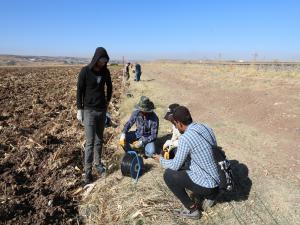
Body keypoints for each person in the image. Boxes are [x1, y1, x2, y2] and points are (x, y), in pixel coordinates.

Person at [153, 106, 220, 219]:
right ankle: (212, 195)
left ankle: (192, 209)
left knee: (169, 175)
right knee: (185, 163)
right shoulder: (205, 127)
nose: (175, 126)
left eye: (175, 123)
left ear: (179, 123)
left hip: (208, 184)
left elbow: (175, 165)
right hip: (218, 178)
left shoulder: (186, 138)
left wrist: (161, 160)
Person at [76, 47, 112, 185]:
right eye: (102, 60)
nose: (103, 63)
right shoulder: (85, 71)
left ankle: (98, 165)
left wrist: (107, 102)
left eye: (105, 61)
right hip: (89, 111)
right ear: (96, 59)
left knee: (99, 140)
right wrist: (80, 109)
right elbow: (79, 91)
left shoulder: (105, 72)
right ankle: (88, 172)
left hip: (101, 110)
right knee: (90, 142)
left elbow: (109, 86)